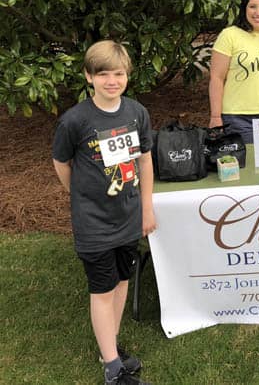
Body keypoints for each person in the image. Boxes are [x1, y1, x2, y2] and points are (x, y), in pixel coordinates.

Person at [52, 40, 155, 385]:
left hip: (128, 216)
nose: (112, 80)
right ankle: (113, 368)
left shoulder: (137, 112)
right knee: (102, 289)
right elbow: (61, 162)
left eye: (119, 73)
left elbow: (144, 160)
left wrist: (146, 208)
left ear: (127, 75)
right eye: (104, 74)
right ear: (89, 76)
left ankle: (108, 346)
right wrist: (79, 195)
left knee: (122, 281)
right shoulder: (75, 120)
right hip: (94, 224)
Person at [209, 0, 259, 144]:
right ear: (244, 9)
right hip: (237, 118)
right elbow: (216, 78)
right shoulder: (230, 35)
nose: (258, 12)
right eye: (252, 6)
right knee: (245, 165)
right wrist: (215, 116)